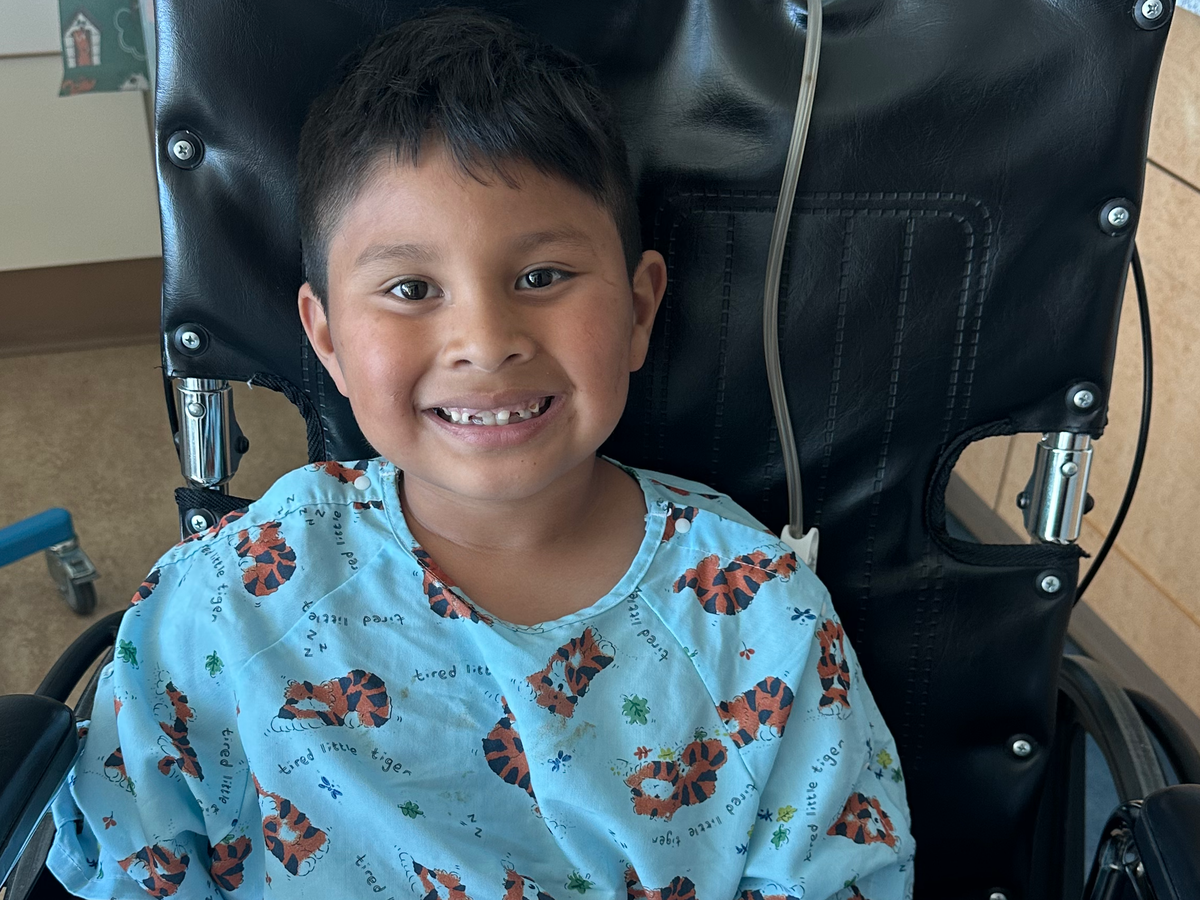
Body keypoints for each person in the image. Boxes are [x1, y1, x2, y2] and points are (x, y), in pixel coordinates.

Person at [47, 9, 914, 899]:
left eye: (541, 277)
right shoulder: (230, 601)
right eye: (411, 288)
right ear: (328, 338)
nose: (487, 341)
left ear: (640, 309)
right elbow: (137, 855)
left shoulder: (759, 615)